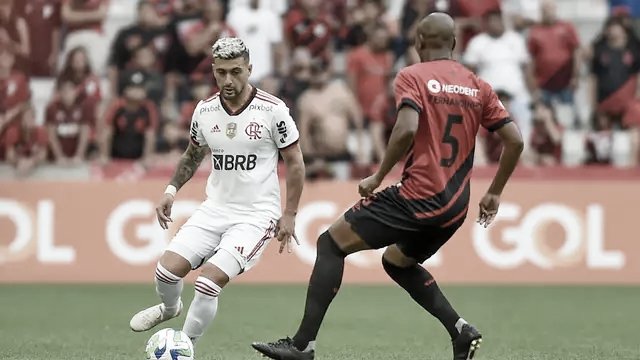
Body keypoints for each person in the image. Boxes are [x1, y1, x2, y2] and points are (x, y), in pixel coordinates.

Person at [251, 12, 524, 360]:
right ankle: (460, 331)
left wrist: (378, 176)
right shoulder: (478, 86)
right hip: (456, 205)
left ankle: (303, 347)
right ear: (454, 44)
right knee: (397, 262)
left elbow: (407, 128)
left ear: (419, 43)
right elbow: (514, 141)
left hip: (417, 196)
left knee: (330, 243)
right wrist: (495, 192)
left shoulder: (413, 75)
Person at [128, 37, 306, 348]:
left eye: (236, 71)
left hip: (256, 215)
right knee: (166, 273)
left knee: (208, 282)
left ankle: (185, 344)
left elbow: (295, 163)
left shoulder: (273, 110)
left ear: (249, 69)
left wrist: (289, 213)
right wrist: (171, 190)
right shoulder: (205, 111)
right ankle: (170, 309)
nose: (228, 80)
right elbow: (192, 154)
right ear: (213, 70)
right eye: (221, 72)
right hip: (215, 208)